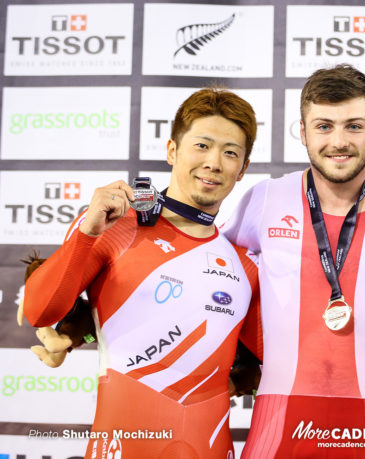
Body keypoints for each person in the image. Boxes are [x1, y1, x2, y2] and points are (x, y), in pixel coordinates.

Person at [22, 87, 260, 459]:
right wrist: (87, 235)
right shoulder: (114, 226)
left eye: (230, 152)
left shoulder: (246, 263)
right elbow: (40, 311)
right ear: (171, 151)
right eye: (202, 145)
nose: (214, 162)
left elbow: (276, 358)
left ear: (242, 168)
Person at [221, 64, 365, 458]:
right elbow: (213, 275)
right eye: (323, 126)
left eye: (354, 126)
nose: (339, 141)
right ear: (302, 133)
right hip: (280, 415)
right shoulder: (263, 200)